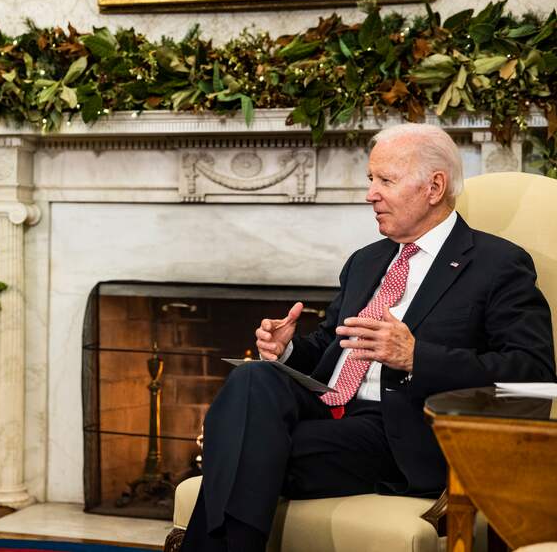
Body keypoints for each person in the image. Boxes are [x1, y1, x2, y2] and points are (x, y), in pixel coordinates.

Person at [180, 123, 555, 552]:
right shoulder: (365, 261)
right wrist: (286, 349)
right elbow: (330, 350)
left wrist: (417, 356)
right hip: (328, 412)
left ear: (434, 187)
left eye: (385, 181)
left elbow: (533, 375)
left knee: (236, 446)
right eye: (369, 180)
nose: (369, 194)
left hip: (400, 432)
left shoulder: (497, 264)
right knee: (253, 378)